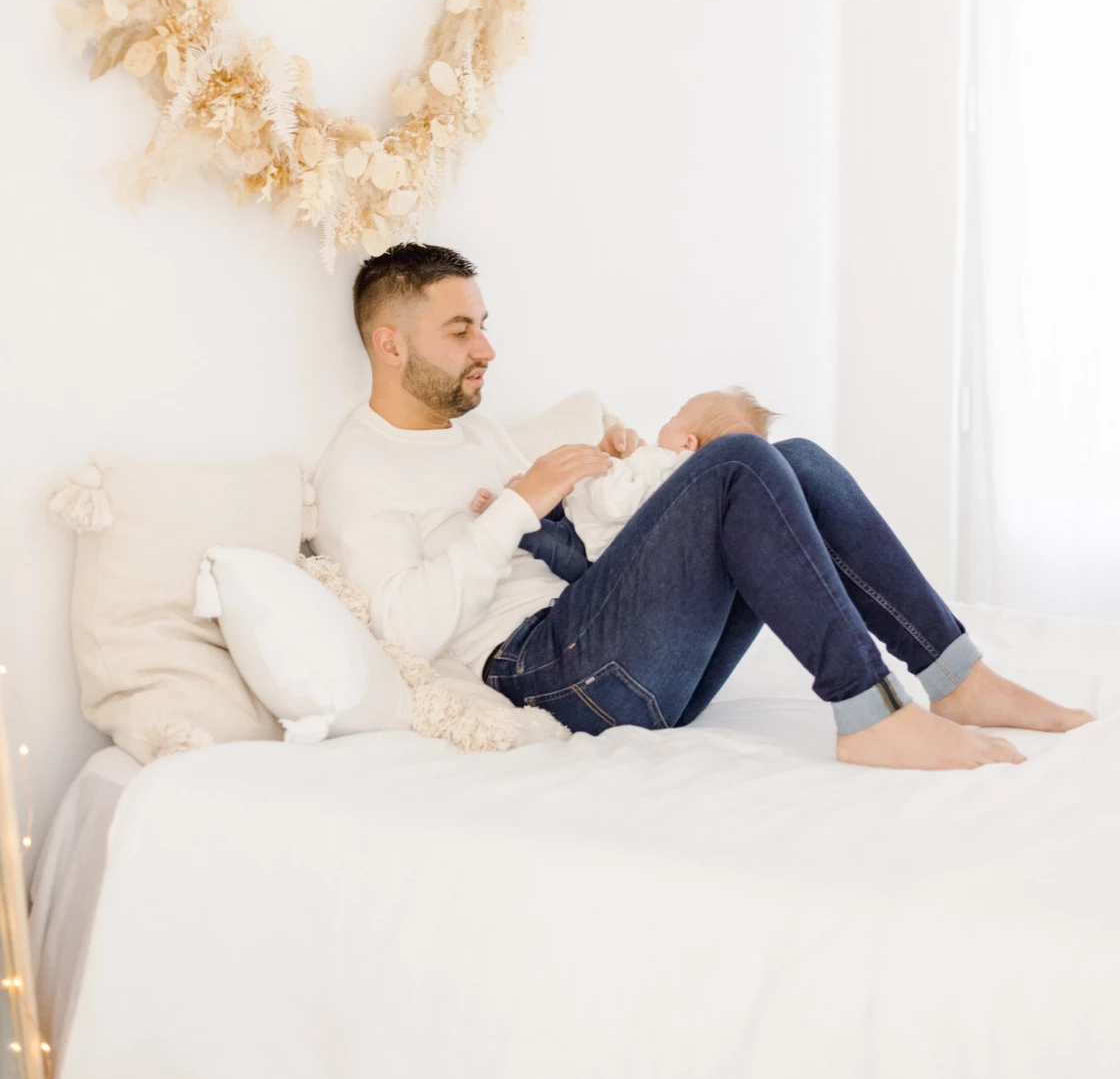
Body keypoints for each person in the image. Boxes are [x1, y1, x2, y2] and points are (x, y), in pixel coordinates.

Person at [313, 243, 1093, 770]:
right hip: (550, 674)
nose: (486, 348)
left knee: (796, 462)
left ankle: (957, 676)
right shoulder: (360, 468)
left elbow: (564, 547)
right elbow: (406, 631)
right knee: (736, 463)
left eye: (483, 326)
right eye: (460, 331)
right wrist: (518, 504)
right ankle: (868, 711)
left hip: (603, 640)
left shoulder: (474, 432)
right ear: (390, 344)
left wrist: (611, 492)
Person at [471, 387, 778, 564]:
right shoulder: (690, 486)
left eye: (674, 418)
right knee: (553, 512)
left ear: (688, 443)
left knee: (547, 538)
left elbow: (613, 506)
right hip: (587, 525)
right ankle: (517, 503)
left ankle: (508, 513)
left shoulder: (659, 463)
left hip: (591, 547)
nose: (665, 423)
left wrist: (611, 466)